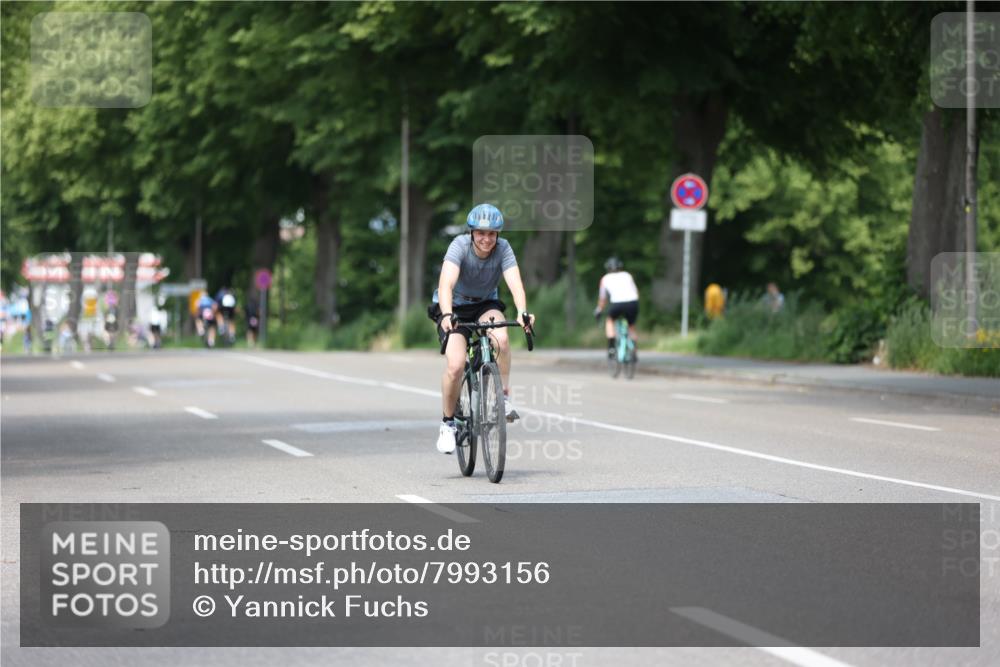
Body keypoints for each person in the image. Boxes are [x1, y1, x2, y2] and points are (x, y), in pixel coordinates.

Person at [430, 203, 534, 455]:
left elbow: (515, 284)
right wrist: (446, 314)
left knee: (502, 338)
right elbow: (446, 284)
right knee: (455, 365)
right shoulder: (459, 246)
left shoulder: (504, 248)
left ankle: (503, 399)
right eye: (481, 233)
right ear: (472, 232)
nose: (486, 239)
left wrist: (522, 312)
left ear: (497, 234)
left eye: (491, 234)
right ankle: (447, 424)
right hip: (453, 306)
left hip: (485, 304)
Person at [593, 257, 639, 359]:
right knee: (631, 326)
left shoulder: (605, 279)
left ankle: (611, 347)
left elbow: (602, 299)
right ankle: (634, 351)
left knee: (609, 321)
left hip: (617, 304)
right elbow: (636, 292)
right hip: (633, 302)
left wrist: (599, 310)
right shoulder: (627, 275)